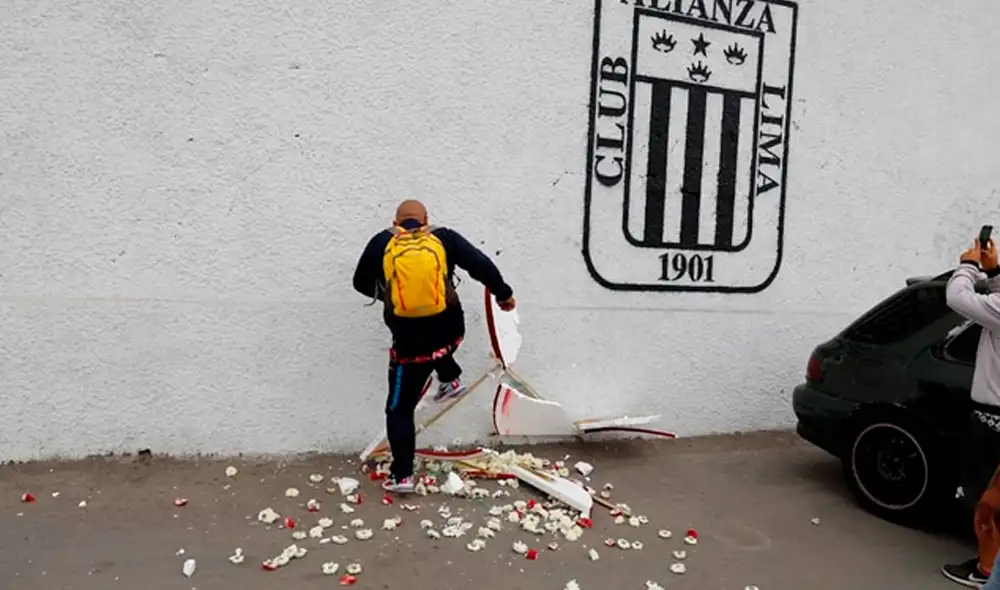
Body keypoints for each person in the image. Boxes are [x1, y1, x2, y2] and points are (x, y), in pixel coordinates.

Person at [352, 200, 515, 494]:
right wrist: (504, 295)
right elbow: (481, 265)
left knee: (399, 408)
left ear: (396, 221)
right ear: (426, 219)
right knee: (440, 345)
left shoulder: (382, 242)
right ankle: (449, 378)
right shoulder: (444, 237)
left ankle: (402, 476)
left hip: (409, 346)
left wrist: (391, 292)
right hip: (451, 331)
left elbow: (359, 282)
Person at [941, 235, 1000, 588]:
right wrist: (995, 272)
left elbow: (956, 297)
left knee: (986, 501)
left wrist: (969, 265)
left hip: (993, 416)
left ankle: (986, 570)